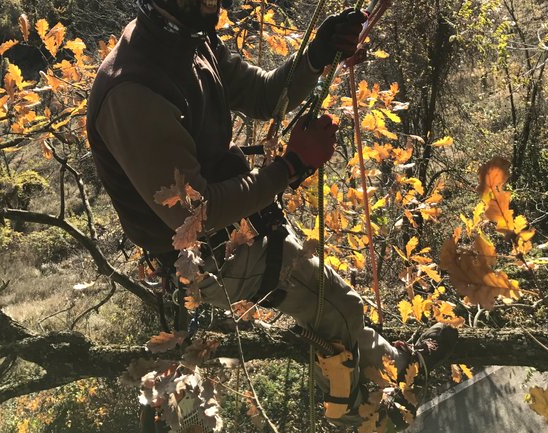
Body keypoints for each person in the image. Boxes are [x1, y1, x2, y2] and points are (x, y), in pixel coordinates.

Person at [86, 0, 458, 428]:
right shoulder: (133, 91)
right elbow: (195, 216)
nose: (216, 5)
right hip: (207, 258)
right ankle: (383, 401)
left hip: (243, 225)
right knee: (338, 310)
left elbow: (263, 94)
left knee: (334, 304)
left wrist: (316, 55)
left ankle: (387, 369)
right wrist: (291, 167)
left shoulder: (189, 37)